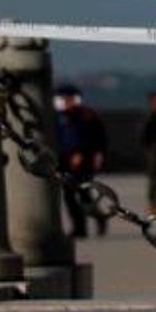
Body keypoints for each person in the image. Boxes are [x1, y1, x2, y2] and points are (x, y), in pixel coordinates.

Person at [55, 85, 107, 238]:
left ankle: (98, 217)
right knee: (69, 197)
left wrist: (96, 155)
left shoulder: (87, 116)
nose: (66, 102)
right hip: (64, 159)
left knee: (84, 194)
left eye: (69, 99)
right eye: (63, 99)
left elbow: (97, 138)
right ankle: (79, 228)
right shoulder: (58, 117)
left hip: (83, 160)